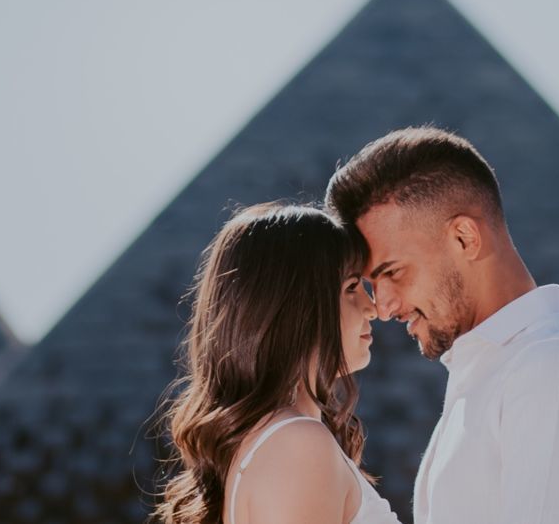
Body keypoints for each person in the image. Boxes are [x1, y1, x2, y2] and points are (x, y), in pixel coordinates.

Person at [326, 127, 559, 524]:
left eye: (393, 272)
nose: (383, 307)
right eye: (371, 282)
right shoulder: (495, 369)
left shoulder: (549, 367)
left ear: (464, 237)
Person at [154, 201, 403, 524]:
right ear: (298, 306)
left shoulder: (277, 441)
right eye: (352, 287)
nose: (373, 308)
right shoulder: (297, 445)